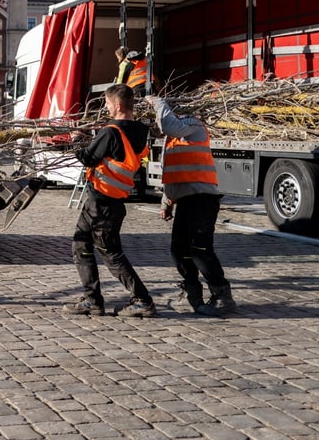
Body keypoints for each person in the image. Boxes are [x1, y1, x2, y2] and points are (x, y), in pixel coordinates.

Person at [65, 83, 158, 318]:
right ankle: (91, 299)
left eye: (107, 103)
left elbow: (87, 158)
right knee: (81, 244)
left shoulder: (110, 132)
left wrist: (76, 139)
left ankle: (142, 300)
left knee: (110, 253)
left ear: (117, 106)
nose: (105, 108)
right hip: (111, 201)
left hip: (101, 203)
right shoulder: (140, 130)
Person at [146, 95, 236, 316]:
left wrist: (158, 103)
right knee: (179, 251)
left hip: (202, 199)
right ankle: (192, 293)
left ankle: (222, 296)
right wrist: (167, 202)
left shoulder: (194, 126)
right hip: (186, 201)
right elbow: (172, 173)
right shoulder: (174, 138)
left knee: (200, 251)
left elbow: (169, 125)